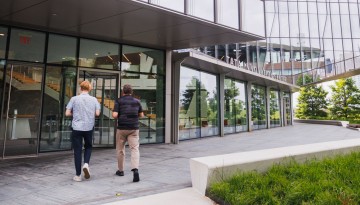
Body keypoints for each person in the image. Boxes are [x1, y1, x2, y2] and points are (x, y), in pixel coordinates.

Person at [65, 80, 100, 182]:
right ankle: (86, 164)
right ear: (89, 89)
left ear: (80, 88)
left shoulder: (74, 99)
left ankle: (78, 175)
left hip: (77, 127)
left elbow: (67, 113)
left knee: (77, 150)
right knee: (88, 146)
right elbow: (97, 113)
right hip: (88, 127)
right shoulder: (94, 100)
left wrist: (75, 113)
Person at [112, 84, 144, 182]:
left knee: (120, 149)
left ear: (123, 92)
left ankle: (121, 170)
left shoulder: (119, 101)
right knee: (134, 149)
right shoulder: (137, 102)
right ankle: (135, 170)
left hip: (122, 128)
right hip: (133, 128)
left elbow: (114, 115)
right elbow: (141, 115)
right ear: (131, 92)